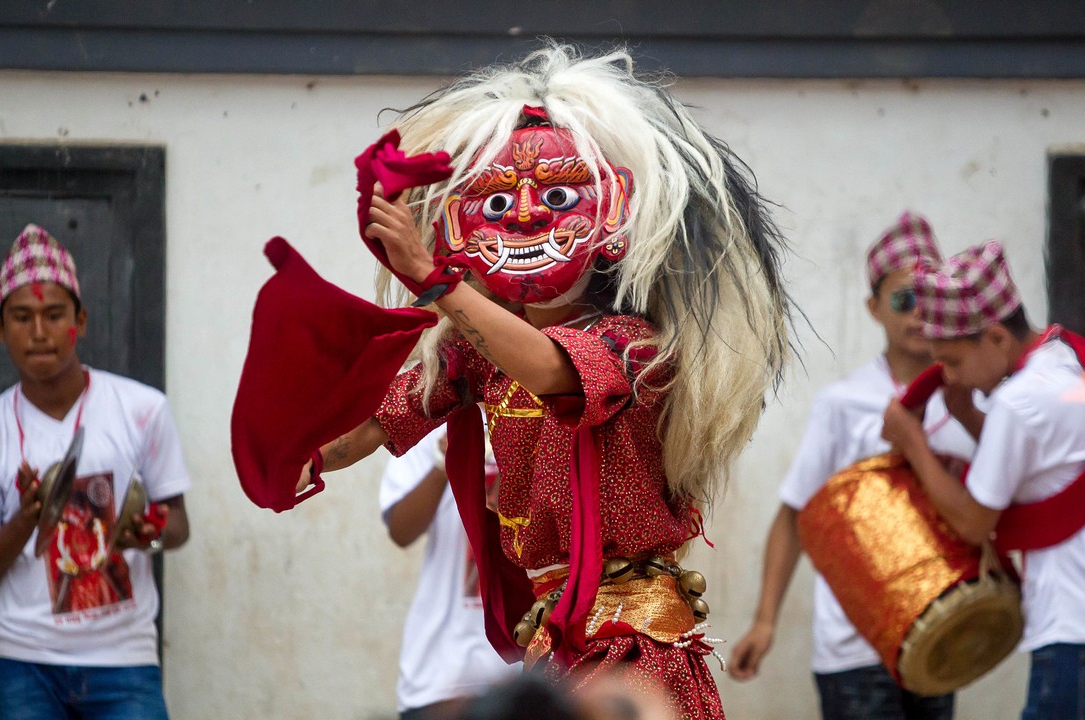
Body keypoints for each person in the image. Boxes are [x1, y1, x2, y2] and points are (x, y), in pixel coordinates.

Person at [297, 42, 792, 719]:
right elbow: (379, 423)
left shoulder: (632, 346)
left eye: (557, 194)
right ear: (463, 227)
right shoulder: (469, 351)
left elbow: (551, 368)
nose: (527, 215)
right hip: (552, 648)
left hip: (636, 651)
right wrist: (300, 458)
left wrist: (435, 280)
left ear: (612, 217)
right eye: (497, 202)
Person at [881, 241, 1085, 720]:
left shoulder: (1019, 401)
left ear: (998, 338)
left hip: (1077, 632)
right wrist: (966, 417)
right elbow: (1044, 464)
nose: (951, 376)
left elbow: (973, 521)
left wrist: (912, 442)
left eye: (954, 361)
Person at [729, 212, 975, 720]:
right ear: (873, 307)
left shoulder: (967, 402)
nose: (918, 315)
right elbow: (795, 514)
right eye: (904, 299)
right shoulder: (844, 403)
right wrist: (765, 621)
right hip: (855, 649)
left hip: (941, 632)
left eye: (929, 299)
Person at [0, 224, 191, 719]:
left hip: (125, 659)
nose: (39, 332)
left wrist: (148, 533)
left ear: (79, 319)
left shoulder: (143, 409)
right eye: (22, 317)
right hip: (25, 660)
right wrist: (26, 521)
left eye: (54, 315)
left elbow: (179, 525)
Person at [380, 424, 518, 719]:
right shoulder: (427, 419)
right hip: (441, 672)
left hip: (528, 670)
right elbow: (401, 530)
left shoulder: (552, 411)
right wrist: (443, 463)